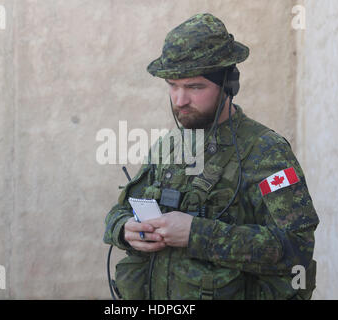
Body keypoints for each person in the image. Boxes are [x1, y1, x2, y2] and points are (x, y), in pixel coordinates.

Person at [103, 13, 319, 300]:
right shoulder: (168, 147)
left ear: (229, 85)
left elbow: (295, 249)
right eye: (172, 85)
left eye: (194, 86)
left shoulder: (266, 152)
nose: (180, 100)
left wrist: (197, 234)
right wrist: (125, 229)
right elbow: (120, 212)